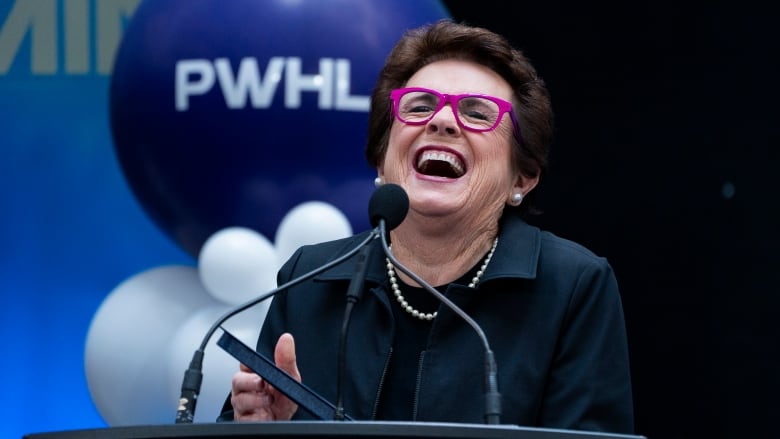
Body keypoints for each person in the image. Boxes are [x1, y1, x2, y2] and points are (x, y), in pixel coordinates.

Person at [219, 19, 634, 433]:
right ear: (382, 159)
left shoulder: (572, 287)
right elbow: (241, 423)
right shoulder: (311, 281)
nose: (442, 122)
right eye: (419, 106)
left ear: (520, 179)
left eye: (476, 112)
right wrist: (259, 428)